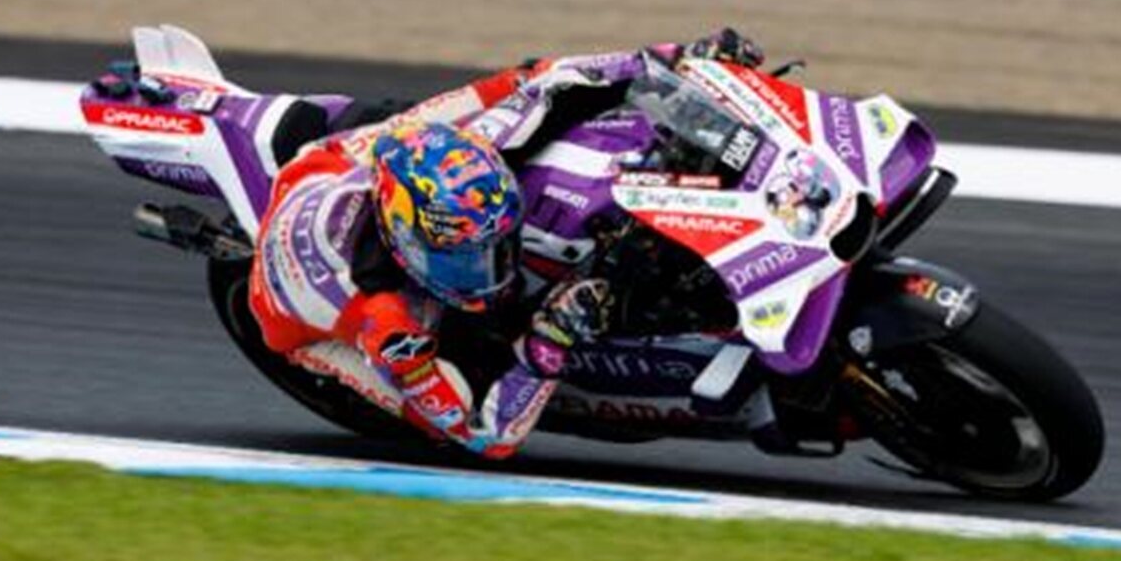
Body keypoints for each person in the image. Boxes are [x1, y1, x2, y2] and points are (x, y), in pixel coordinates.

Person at [247, 29, 765, 459]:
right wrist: (550, 339)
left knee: (519, 86)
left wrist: (679, 59)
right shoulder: (388, 324)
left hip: (337, 161)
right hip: (306, 314)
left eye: (498, 246)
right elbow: (486, 435)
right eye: (471, 257)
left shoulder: (453, 150)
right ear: (409, 244)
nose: (495, 271)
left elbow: (555, 80)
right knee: (464, 366)